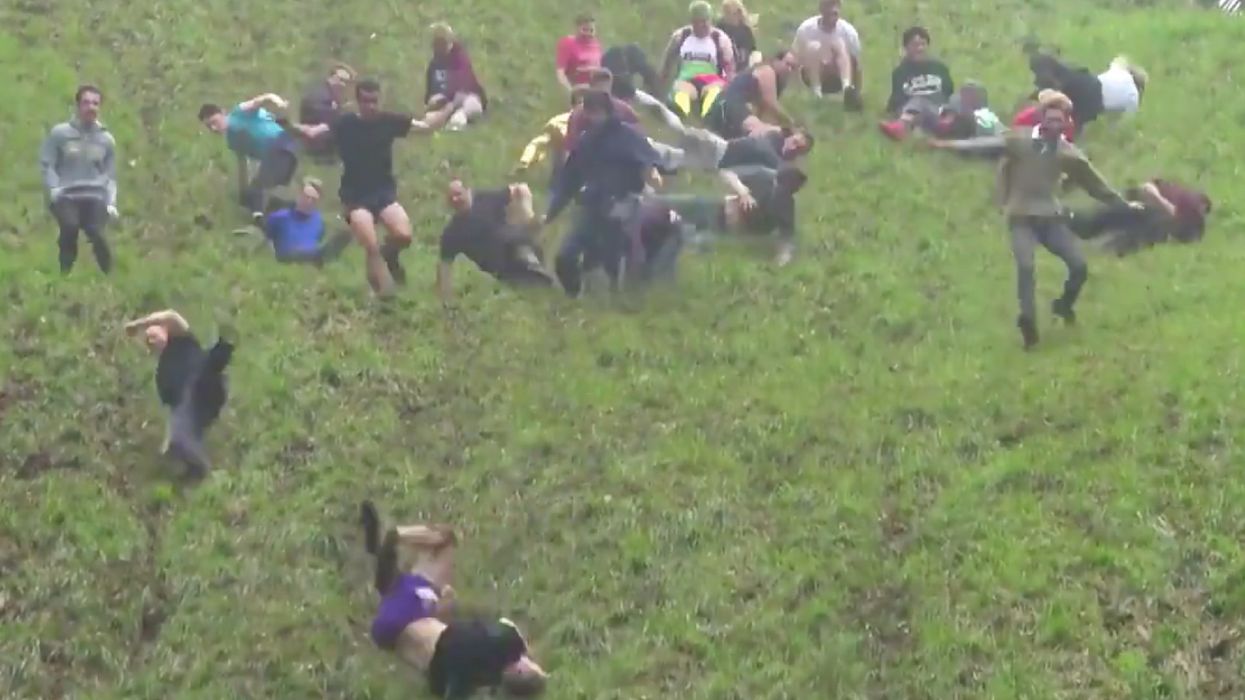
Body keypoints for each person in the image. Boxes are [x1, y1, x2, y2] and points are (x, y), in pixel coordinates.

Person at [927, 102, 1139, 349]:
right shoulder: (1020, 141)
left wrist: (1125, 205)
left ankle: (1064, 305)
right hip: (1021, 218)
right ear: (1042, 120)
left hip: (1050, 219)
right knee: (1026, 266)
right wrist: (946, 145)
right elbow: (982, 145)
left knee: (1079, 266)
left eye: (1060, 121)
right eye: (1051, 120)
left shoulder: (1067, 153)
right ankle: (1028, 322)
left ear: (1066, 124)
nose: (1055, 125)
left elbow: (1096, 185)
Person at [360, 502, 548, 698]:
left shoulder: (507, 645)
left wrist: (524, 650)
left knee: (442, 540)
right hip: (407, 639)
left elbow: (506, 627)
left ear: (521, 670)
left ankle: (389, 542)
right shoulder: (473, 678)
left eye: (534, 666)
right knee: (399, 588)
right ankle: (382, 550)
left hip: (414, 619)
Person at [287, 80, 441, 297]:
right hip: (355, 196)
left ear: (380, 100)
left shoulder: (389, 121)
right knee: (370, 243)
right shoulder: (345, 123)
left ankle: (391, 256)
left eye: (374, 101)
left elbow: (425, 127)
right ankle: (380, 291)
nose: (370, 106)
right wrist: (288, 124)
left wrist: (449, 107)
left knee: (404, 236)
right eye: (366, 101)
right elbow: (314, 132)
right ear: (358, 101)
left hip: (383, 192)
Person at [544, 90, 664, 296]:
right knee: (565, 257)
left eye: (596, 112)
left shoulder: (629, 137)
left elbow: (650, 163)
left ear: (606, 112)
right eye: (588, 112)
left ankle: (616, 292)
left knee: (609, 261)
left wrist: (651, 175)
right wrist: (549, 213)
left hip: (621, 210)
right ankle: (573, 295)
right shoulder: (586, 141)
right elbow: (568, 182)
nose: (592, 117)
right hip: (590, 210)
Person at [123, 310, 234, 479]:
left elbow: (170, 316)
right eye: (148, 342)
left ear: (164, 330)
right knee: (178, 440)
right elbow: (174, 410)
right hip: (200, 406)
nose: (151, 340)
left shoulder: (181, 338)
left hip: (204, 382)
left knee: (204, 372)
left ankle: (224, 347)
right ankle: (196, 470)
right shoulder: (163, 373)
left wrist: (138, 325)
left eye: (153, 334)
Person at [656, 164, 808, 265]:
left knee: (688, 240)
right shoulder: (763, 175)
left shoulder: (785, 204)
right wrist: (743, 192)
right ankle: (643, 205)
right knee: (672, 204)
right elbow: (728, 173)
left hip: (723, 230)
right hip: (716, 207)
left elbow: (786, 240)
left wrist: (781, 261)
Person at [634, 89, 814, 173]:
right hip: (718, 147)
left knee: (674, 158)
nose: (793, 146)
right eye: (795, 141)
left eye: (798, 148)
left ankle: (639, 144)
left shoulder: (779, 161)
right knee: (679, 129)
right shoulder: (775, 139)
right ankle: (642, 98)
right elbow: (763, 147)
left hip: (715, 164)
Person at [40, 85, 118, 275]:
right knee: (70, 227)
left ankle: (110, 275)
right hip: (66, 194)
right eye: (86, 102)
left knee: (97, 233)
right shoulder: (60, 134)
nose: (91, 107)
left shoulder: (106, 140)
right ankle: (64, 272)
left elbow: (110, 175)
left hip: (94, 196)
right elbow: (47, 164)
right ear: (77, 105)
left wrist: (111, 202)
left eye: (95, 103)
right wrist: (54, 188)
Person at [438, 180, 555, 300]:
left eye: (458, 194)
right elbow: (445, 267)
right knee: (531, 286)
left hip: (518, 246)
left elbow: (521, 188)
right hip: (500, 268)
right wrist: (446, 299)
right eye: (451, 198)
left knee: (518, 243)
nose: (456, 199)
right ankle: (538, 277)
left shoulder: (486, 199)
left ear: (467, 190)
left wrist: (528, 215)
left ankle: (536, 268)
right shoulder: (453, 233)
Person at [199, 94, 300, 224]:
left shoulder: (239, 112)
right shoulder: (232, 141)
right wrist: (244, 193)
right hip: (280, 157)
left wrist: (279, 102)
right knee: (261, 194)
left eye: (214, 122)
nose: (214, 128)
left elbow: (264, 99)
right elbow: (243, 166)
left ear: (223, 112)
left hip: (281, 144)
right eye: (209, 127)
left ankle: (259, 220)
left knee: (257, 190)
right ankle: (290, 211)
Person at [1067, 178, 1211, 256]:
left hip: (1151, 216)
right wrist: (1161, 201)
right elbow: (1148, 187)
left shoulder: (1192, 210)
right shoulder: (1177, 193)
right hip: (1142, 207)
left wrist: (1160, 202)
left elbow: (1184, 224)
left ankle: (1101, 247)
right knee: (1103, 217)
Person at [658, 1, 736, 119]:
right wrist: (661, 82)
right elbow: (667, 61)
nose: (705, 25)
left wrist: (730, 86)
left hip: (712, 81)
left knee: (714, 97)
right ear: (693, 22)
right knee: (679, 96)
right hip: (686, 80)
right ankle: (683, 119)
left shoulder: (720, 39)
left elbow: (730, 68)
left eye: (707, 21)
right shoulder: (681, 36)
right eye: (701, 22)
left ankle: (708, 119)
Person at [879, 26, 955, 141]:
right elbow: (897, 100)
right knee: (918, 102)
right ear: (906, 48)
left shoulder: (940, 68)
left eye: (923, 44)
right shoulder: (900, 72)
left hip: (936, 109)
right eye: (915, 45)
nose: (919, 48)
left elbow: (948, 93)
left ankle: (903, 127)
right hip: (912, 112)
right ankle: (909, 127)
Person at [704, 50, 799, 138]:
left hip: (730, 108)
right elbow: (771, 104)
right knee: (760, 130)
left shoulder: (776, 81)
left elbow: (763, 110)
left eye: (793, 68)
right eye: (787, 64)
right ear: (776, 61)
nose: (789, 69)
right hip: (730, 105)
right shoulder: (767, 71)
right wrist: (790, 122)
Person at [261, 177, 352, 265]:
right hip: (287, 255)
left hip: (311, 255)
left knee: (341, 237)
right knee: (319, 254)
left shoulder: (318, 220)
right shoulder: (280, 217)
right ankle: (323, 257)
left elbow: (317, 239)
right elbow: (268, 239)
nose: (309, 201)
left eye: (313, 199)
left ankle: (326, 256)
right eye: (306, 197)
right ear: (299, 196)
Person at [791, 0, 863, 109]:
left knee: (839, 44)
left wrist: (857, 91)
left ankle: (846, 89)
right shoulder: (806, 29)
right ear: (821, 10)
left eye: (835, 12)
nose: (832, 16)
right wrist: (797, 91)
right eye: (828, 10)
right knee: (813, 47)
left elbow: (857, 64)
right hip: (812, 74)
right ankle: (817, 92)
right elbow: (795, 58)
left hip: (836, 77)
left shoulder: (848, 32)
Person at [562, 69, 642, 156]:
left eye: (606, 93)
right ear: (592, 88)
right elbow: (571, 146)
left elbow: (639, 135)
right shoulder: (579, 114)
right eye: (600, 92)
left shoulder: (623, 110)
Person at [425, 23, 488, 131]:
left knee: (464, 111)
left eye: (442, 42)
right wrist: (432, 100)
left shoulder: (460, 60)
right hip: (444, 105)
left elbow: (463, 89)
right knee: (431, 118)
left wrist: (449, 105)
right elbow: (430, 93)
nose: (439, 46)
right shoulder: (434, 65)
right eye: (437, 43)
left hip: (466, 100)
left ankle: (457, 121)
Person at [1027, 51, 1104, 136]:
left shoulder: (1060, 81)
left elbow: (1052, 95)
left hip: (1085, 103)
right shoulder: (1064, 71)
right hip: (1093, 99)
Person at [298, 63, 355, 158]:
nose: (344, 85)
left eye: (347, 82)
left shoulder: (330, 94)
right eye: (342, 80)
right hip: (317, 143)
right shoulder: (320, 94)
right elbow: (324, 118)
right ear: (333, 77)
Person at [555, 14, 603, 91]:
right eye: (584, 30)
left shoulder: (596, 44)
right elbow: (560, 74)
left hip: (594, 91)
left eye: (591, 30)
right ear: (576, 28)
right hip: (577, 89)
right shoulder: (567, 43)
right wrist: (571, 91)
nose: (588, 34)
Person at [1012, 90, 1077, 142]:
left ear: (1066, 122)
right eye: (1050, 120)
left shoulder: (1069, 151)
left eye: (1058, 121)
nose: (1054, 125)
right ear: (1041, 118)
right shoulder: (1024, 121)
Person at [717, 0, 761, 71]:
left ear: (737, 13)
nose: (727, 16)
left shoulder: (745, 30)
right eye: (725, 12)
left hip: (741, 66)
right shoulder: (721, 26)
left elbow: (750, 51)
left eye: (729, 12)